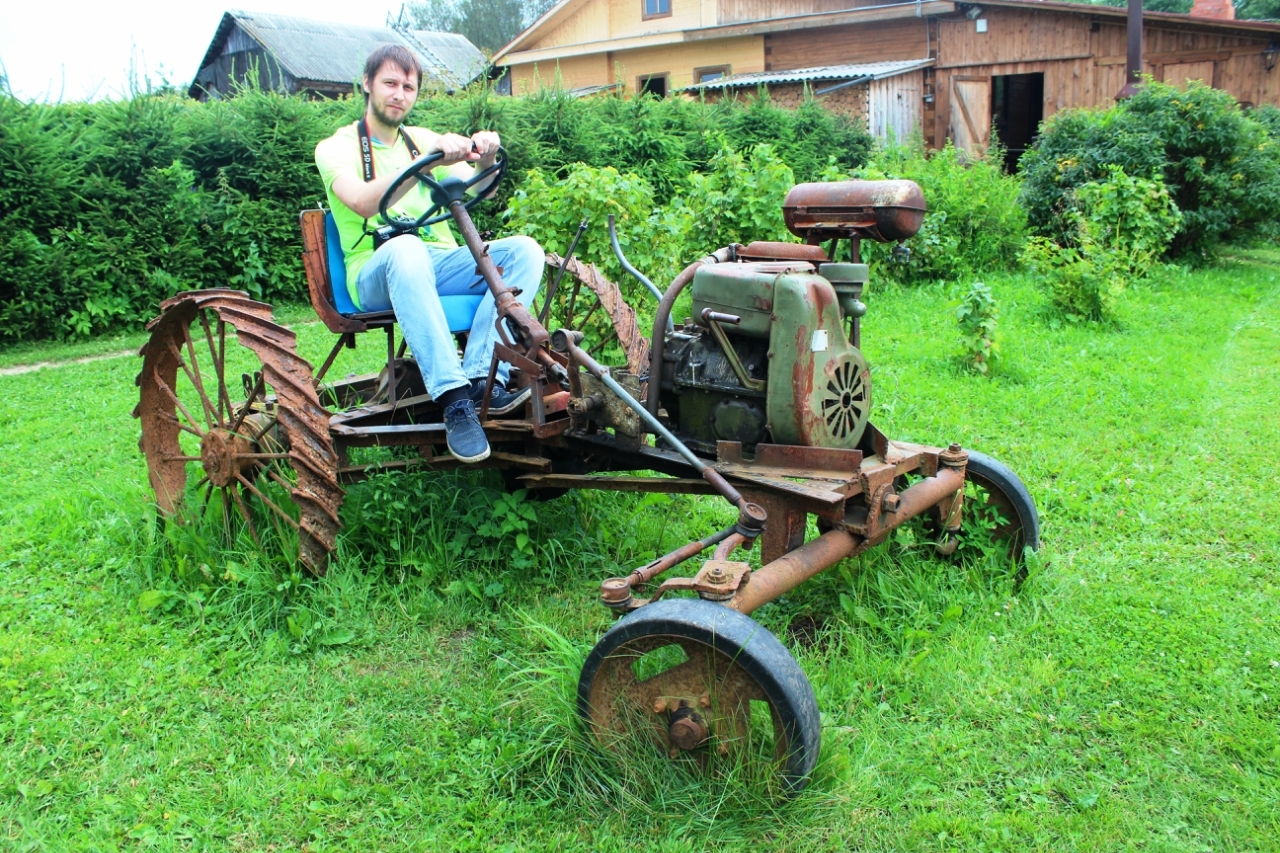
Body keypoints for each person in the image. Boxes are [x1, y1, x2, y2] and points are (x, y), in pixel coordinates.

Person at [314, 44, 542, 464]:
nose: (399, 94)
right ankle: (454, 399)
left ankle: (481, 379)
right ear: (367, 84)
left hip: (435, 262)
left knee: (524, 251)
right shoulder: (336, 147)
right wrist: (422, 165)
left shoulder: (420, 140)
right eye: (389, 83)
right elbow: (363, 202)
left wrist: (484, 156)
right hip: (376, 270)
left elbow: (475, 188)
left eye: (408, 86)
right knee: (407, 248)